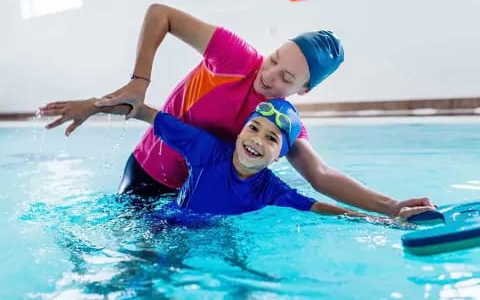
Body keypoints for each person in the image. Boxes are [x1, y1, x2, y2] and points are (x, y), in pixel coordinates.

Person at [39, 3, 434, 218]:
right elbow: (161, 14)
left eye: (286, 77)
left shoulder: (279, 122)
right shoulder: (234, 56)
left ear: (304, 89)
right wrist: (134, 84)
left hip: (193, 196)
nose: (269, 75)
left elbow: (322, 175)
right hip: (145, 173)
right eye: (274, 58)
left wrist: (391, 206)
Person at [132, 98, 426, 221]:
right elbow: (153, 116)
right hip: (169, 223)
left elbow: (321, 208)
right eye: (254, 128)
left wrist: (385, 219)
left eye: (272, 139)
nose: (258, 140)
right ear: (240, 131)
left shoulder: (271, 189)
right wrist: (95, 107)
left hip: (215, 232)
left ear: (279, 157)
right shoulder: (206, 150)